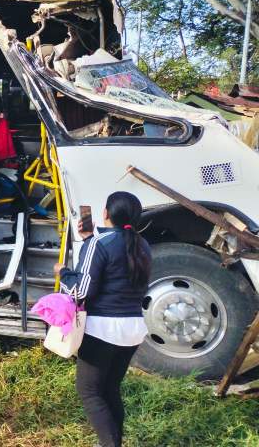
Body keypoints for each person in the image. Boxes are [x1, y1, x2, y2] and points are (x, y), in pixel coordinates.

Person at [53, 191, 152, 447]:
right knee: (109, 389)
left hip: (103, 329)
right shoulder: (142, 245)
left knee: (90, 392)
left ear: (105, 214)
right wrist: (88, 240)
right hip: (134, 328)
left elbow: (81, 291)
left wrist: (63, 273)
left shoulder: (100, 244)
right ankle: (112, 441)